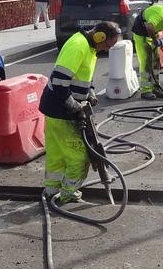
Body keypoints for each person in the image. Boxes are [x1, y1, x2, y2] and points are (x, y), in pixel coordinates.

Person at [38, 21, 121, 204]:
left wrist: (90, 92)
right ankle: (68, 193)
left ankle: (51, 191)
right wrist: (76, 109)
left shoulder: (89, 47)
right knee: (80, 157)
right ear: (99, 36)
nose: (105, 49)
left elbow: (83, 76)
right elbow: (60, 82)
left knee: (57, 154)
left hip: (55, 108)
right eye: (107, 45)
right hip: (61, 109)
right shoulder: (78, 46)